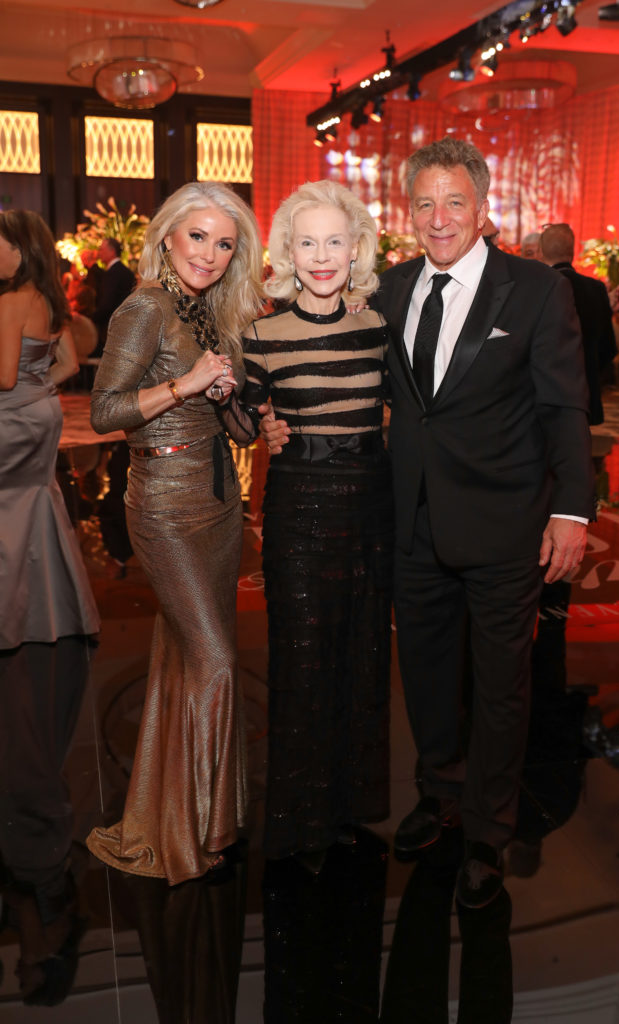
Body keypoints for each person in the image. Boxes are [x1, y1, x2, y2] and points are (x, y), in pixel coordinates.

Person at [262, 139, 594, 907]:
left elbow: (563, 406)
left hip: (508, 523)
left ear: (482, 208)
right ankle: (439, 793)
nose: (438, 218)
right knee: (426, 672)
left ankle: (487, 829)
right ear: (406, 214)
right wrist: (272, 414)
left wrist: (571, 509)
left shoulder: (536, 290)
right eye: (423, 203)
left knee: (503, 686)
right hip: (407, 520)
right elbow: (319, 345)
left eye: (453, 202)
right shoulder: (389, 288)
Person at [86, 181, 263, 885]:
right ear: (166, 237)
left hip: (219, 503)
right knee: (217, 662)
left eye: (224, 244)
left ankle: (189, 810)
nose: (210, 255)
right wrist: (188, 386)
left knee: (185, 657)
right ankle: (196, 826)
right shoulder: (144, 306)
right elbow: (104, 412)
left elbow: (236, 423)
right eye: (198, 237)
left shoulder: (211, 313)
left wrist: (237, 405)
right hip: (162, 506)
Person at [241, 180, 393, 870]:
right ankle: (298, 814)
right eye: (308, 242)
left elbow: (412, 412)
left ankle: (351, 801)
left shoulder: (377, 328)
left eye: (336, 240)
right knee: (300, 655)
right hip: (298, 507)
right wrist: (253, 416)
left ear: (356, 247)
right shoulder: (260, 333)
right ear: (287, 252)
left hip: (369, 503)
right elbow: (239, 417)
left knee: (361, 652)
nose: (322, 255)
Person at [0, 210, 100, 1001]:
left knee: (23, 721)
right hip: (30, 527)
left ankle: (43, 883)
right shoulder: (39, 306)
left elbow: (10, 374)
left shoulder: (9, 307)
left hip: (17, 536)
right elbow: (67, 356)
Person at [0, 208, 100, 649]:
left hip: (12, 417)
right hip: (42, 413)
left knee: (8, 508)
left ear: (19, 252)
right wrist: (36, 393)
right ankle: (54, 612)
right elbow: (68, 366)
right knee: (35, 503)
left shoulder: (10, 301)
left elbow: (3, 378)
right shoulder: (48, 298)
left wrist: (23, 392)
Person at [539, 222, 616, 424]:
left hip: (544, 396)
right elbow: (609, 346)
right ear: (573, 252)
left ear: (541, 252)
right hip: (586, 391)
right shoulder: (596, 288)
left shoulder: (538, 288)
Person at [91, 237, 136, 356]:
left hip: (111, 328)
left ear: (112, 251)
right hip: (126, 326)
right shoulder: (126, 272)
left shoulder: (112, 273)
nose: (99, 253)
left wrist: (91, 318)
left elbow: (107, 304)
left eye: (101, 249)